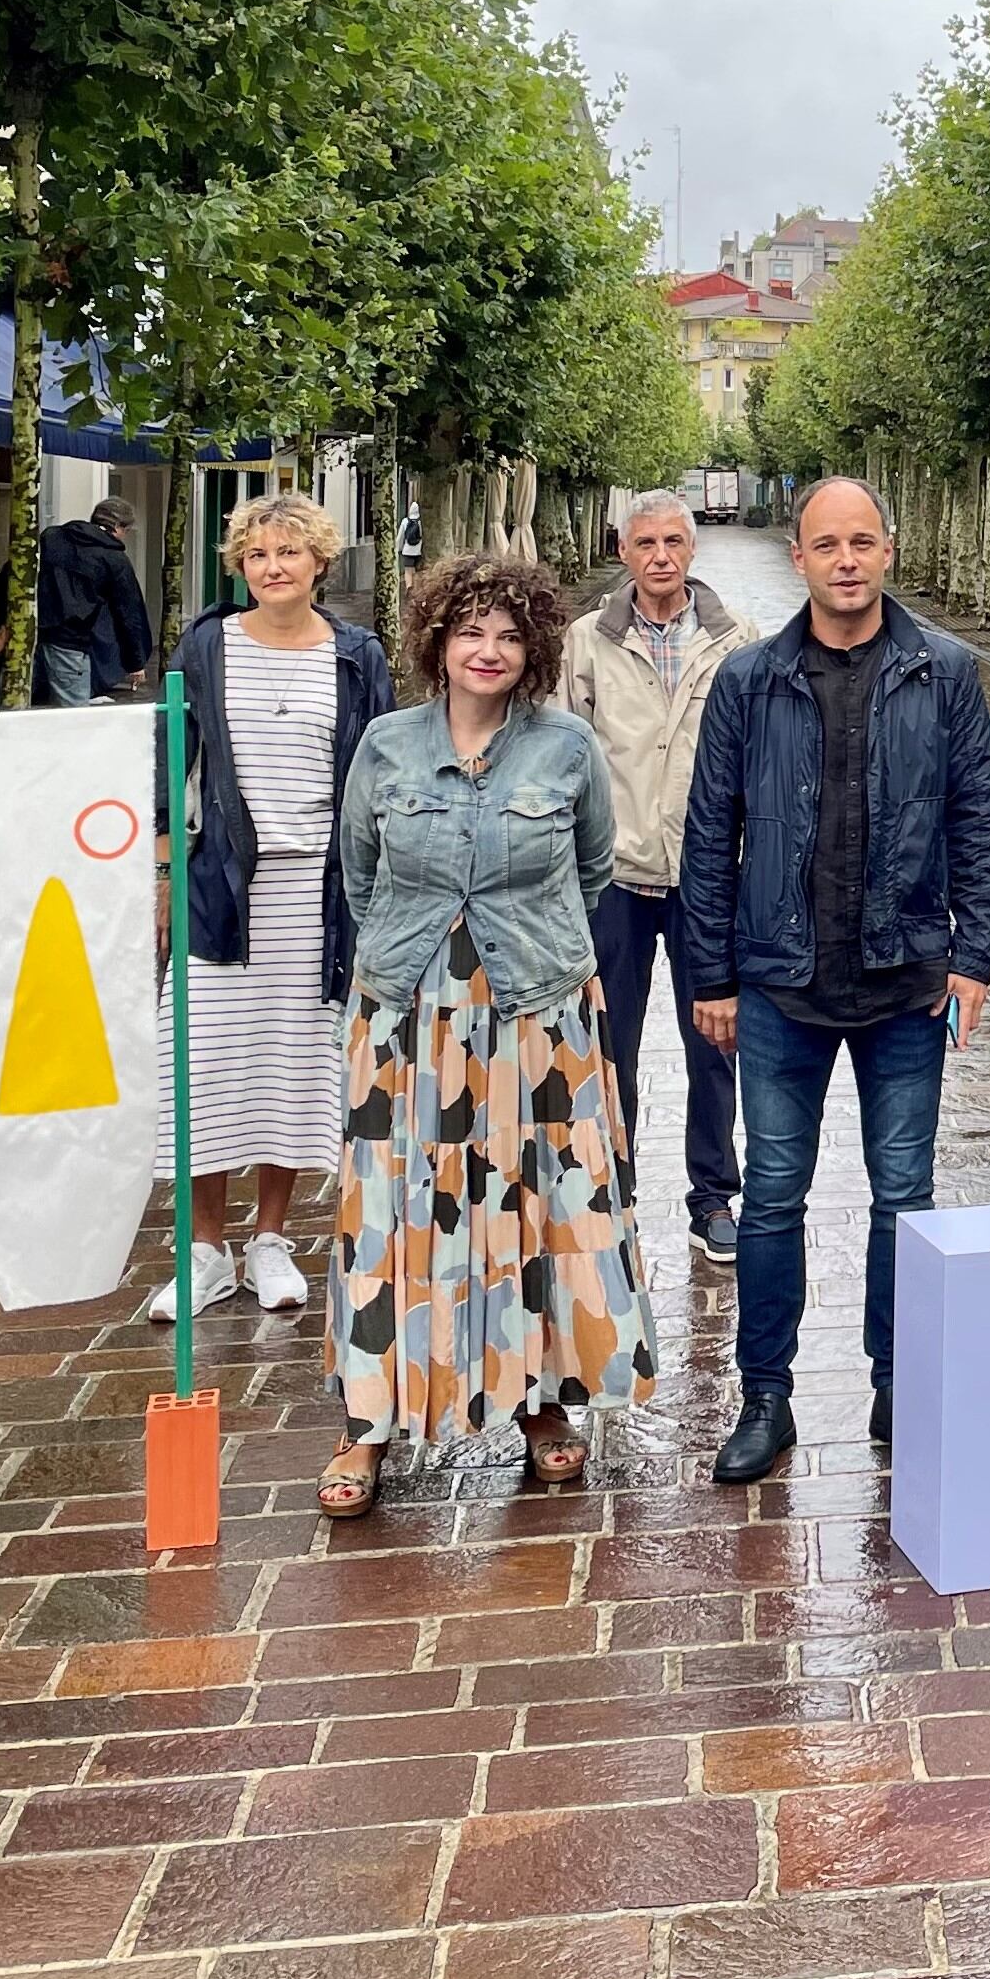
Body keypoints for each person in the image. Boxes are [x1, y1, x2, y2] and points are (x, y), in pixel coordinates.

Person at [683, 477, 990, 1483]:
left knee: (903, 1193)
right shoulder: (748, 680)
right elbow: (707, 836)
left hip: (903, 980)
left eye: (863, 541)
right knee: (774, 1194)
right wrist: (714, 975)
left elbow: (978, 818)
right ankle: (765, 1396)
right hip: (782, 985)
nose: (847, 560)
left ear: (890, 549)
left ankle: (896, 1383)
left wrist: (970, 955)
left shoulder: (943, 672)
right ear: (799, 557)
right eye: (828, 544)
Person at [320, 553, 646, 1516]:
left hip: (537, 1016)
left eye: (509, 635)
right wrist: (415, 959)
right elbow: (358, 875)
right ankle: (370, 1421)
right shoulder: (385, 745)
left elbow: (591, 870)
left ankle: (541, 1403)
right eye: (470, 632)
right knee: (392, 1213)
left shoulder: (567, 749)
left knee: (539, 1206)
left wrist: (530, 949)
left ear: (534, 648)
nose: (489, 650)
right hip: (408, 1013)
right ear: (437, 643)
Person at [152, 494, 392, 1322]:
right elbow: (169, 759)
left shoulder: (357, 654)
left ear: (319, 562)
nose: (273, 567)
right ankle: (205, 1251)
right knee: (204, 1063)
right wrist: (160, 872)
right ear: (240, 566)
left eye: (288, 552)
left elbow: (379, 767)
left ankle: (271, 1239)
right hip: (221, 883)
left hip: (317, 890)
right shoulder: (206, 647)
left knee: (294, 1065)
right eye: (256, 555)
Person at [562, 491, 753, 1266]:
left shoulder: (736, 639)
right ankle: (613, 1188)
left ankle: (713, 1197)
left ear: (693, 550)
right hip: (617, 874)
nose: (661, 556)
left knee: (715, 1040)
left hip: (709, 877)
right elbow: (562, 752)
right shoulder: (586, 641)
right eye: (646, 543)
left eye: (675, 541)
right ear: (623, 551)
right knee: (612, 1044)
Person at [38, 495, 154, 705]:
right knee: (75, 717)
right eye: (126, 532)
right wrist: (135, 663)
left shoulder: (52, 537)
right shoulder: (114, 560)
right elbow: (128, 615)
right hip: (70, 642)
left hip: (30, 636)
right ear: (118, 527)